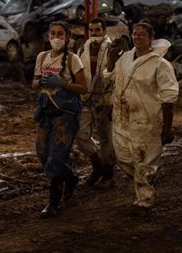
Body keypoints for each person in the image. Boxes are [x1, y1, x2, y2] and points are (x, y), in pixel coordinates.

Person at [110, 21, 178, 216]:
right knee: (123, 157)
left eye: (142, 34)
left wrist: (167, 127)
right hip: (123, 118)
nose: (137, 37)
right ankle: (145, 180)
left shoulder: (160, 64)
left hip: (148, 120)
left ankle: (145, 202)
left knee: (145, 160)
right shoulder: (125, 59)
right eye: (135, 33)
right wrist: (112, 58)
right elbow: (114, 79)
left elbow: (169, 96)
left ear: (150, 38)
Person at [32, 21, 88, 218]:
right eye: (53, 33)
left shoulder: (73, 60)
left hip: (66, 115)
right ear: (48, 35)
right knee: (42, 152)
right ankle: (71, 178)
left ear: (67, 37)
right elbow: (34, 82)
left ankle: (53, 203)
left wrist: (62, 83)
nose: (56, 37)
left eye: (60, 34)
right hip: (46, 112)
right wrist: (41, 82)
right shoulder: (42, 57)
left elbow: (83, 87)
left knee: (56, 157)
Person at [74, 17, 121, 187]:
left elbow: (118, 77)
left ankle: (108, 175)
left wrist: (114, 101)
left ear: (104, 31)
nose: (94, 34)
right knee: (80, 134)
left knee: (105, 138)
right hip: (85, 98)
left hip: (105, 99)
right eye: (91, 30)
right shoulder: (82, 48)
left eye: (97, 30)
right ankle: (97, 164)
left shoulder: (113, 49)